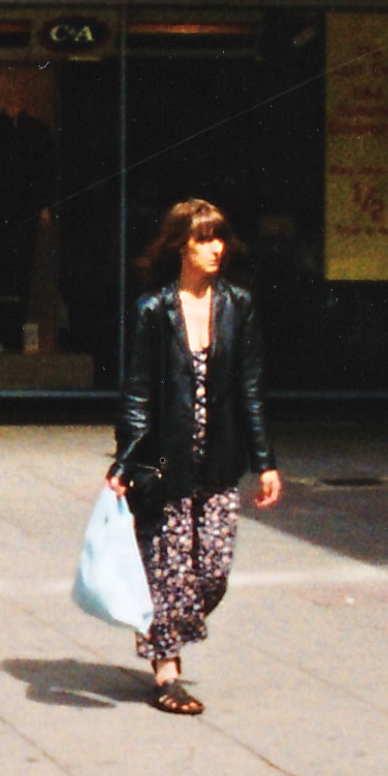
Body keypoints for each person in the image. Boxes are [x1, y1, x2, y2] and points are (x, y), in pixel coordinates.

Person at [107, 198, 281, 716]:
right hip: (167, 464)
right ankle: (167, 673)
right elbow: (137, 395)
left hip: (219, 462)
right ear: (181, 245)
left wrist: (265, 460)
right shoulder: (154, 311)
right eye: (205, 239)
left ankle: (163, 625)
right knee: (171, 570)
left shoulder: (239, 306)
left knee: (212, 574)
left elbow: (250, 389)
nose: (216, 248)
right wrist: (124, 462)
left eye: (220, 237)